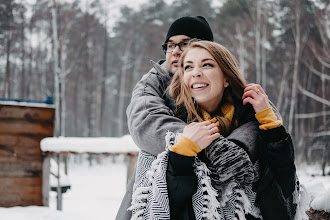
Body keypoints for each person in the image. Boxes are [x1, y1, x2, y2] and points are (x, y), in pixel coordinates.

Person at [128, 41, 309, 220]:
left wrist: (270, 125)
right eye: (188, 67)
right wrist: (181, 156)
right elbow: (158, 208)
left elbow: (284, 190)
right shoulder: (168, 131)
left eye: (207, 64)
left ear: (227, 78)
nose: (196, 72)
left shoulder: (252, 126)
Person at [115, 16, 216, 220]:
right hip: (157, 191)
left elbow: (254, 122)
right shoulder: (152, 84)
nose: (176, 50)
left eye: (185, 44)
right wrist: (201, 143)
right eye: (170, 45)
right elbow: (146, 123)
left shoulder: (220, 80)